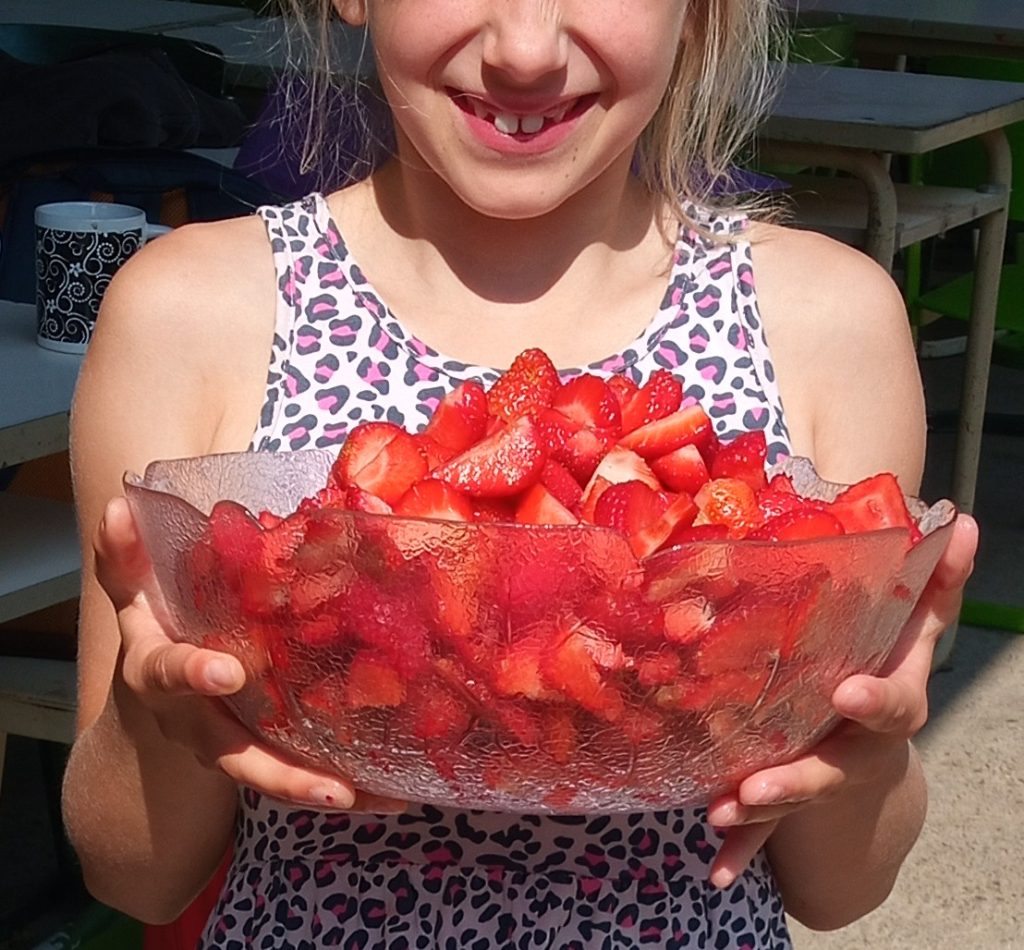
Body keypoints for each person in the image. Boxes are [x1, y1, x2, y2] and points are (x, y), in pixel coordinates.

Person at [61, 0, 979, 947]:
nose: (526, 51)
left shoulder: (827, 325)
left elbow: (839, 892)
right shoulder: (192, 316)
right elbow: (132, 876)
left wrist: (868, 757)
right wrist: (157, 717)